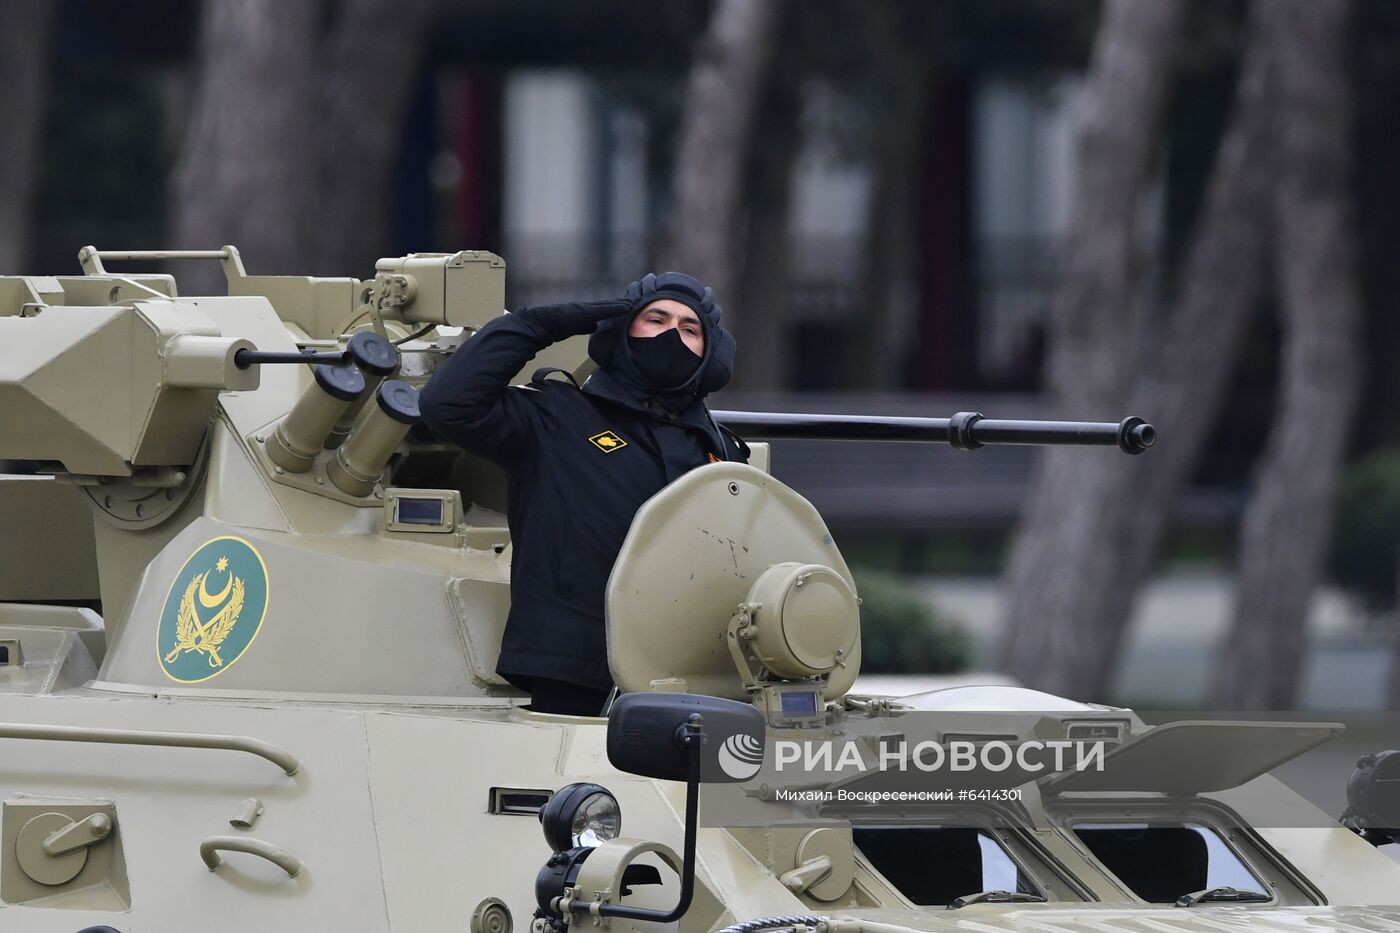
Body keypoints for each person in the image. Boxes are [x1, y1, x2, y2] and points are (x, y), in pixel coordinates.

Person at [418, 272, 746, 715]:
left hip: (688, 667)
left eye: (690, 329)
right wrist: (535, 326)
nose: (671, 334)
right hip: (570, 665)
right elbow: (449, 405)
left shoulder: (720, 450)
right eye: (655, 319)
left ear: (711, 352)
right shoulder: (555, 415)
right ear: (622, 329)